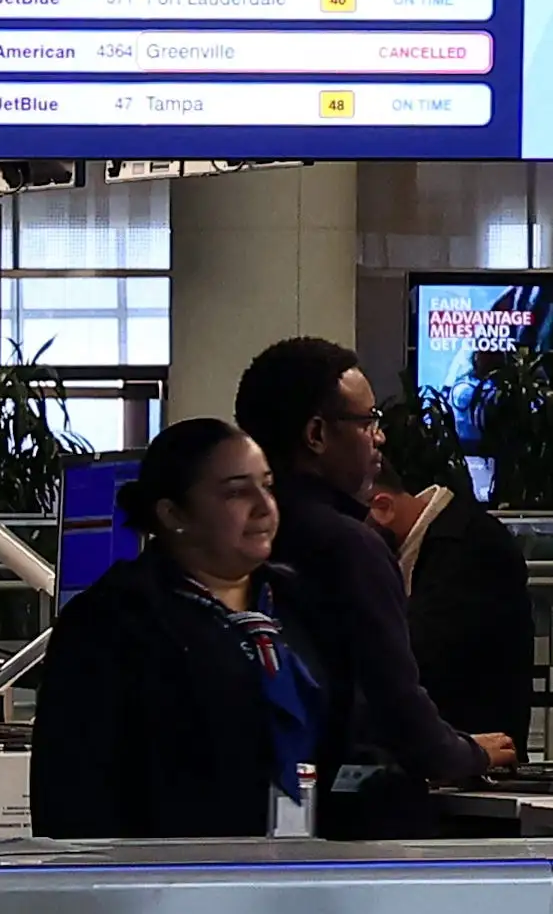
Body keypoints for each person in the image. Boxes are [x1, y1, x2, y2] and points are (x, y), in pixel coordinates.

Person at [234, 337, 499, 828]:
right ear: (316, 433)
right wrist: (469, 754)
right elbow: (397, 706)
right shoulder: (349, 546)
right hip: (346, 823)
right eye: (368, 421)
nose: (379, 437)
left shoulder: (234, 539)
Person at [32, 417, 316, 838]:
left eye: (267, 485)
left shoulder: (302, 603)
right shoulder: (114, 621)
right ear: (173, 513)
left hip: (310, 876)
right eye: (237, 492)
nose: (263, 506)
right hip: (170, 880)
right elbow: (72, 796)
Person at [375, 469, 536, 772]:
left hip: (472, 760)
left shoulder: (466, 548)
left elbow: (421, 661)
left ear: (382, 507)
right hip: (455, 754)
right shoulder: (450, 538)